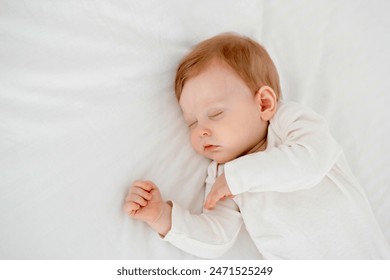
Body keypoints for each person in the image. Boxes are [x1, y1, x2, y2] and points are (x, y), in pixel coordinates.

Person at [123, 33, 390, 259]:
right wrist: (162, 217)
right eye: (191, 122)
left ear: (263, 103)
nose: (201, 130)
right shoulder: (221, 174)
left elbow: (311, 163)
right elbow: (216, 236)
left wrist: (238, 178)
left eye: (215, 114)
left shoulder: (290, 123)